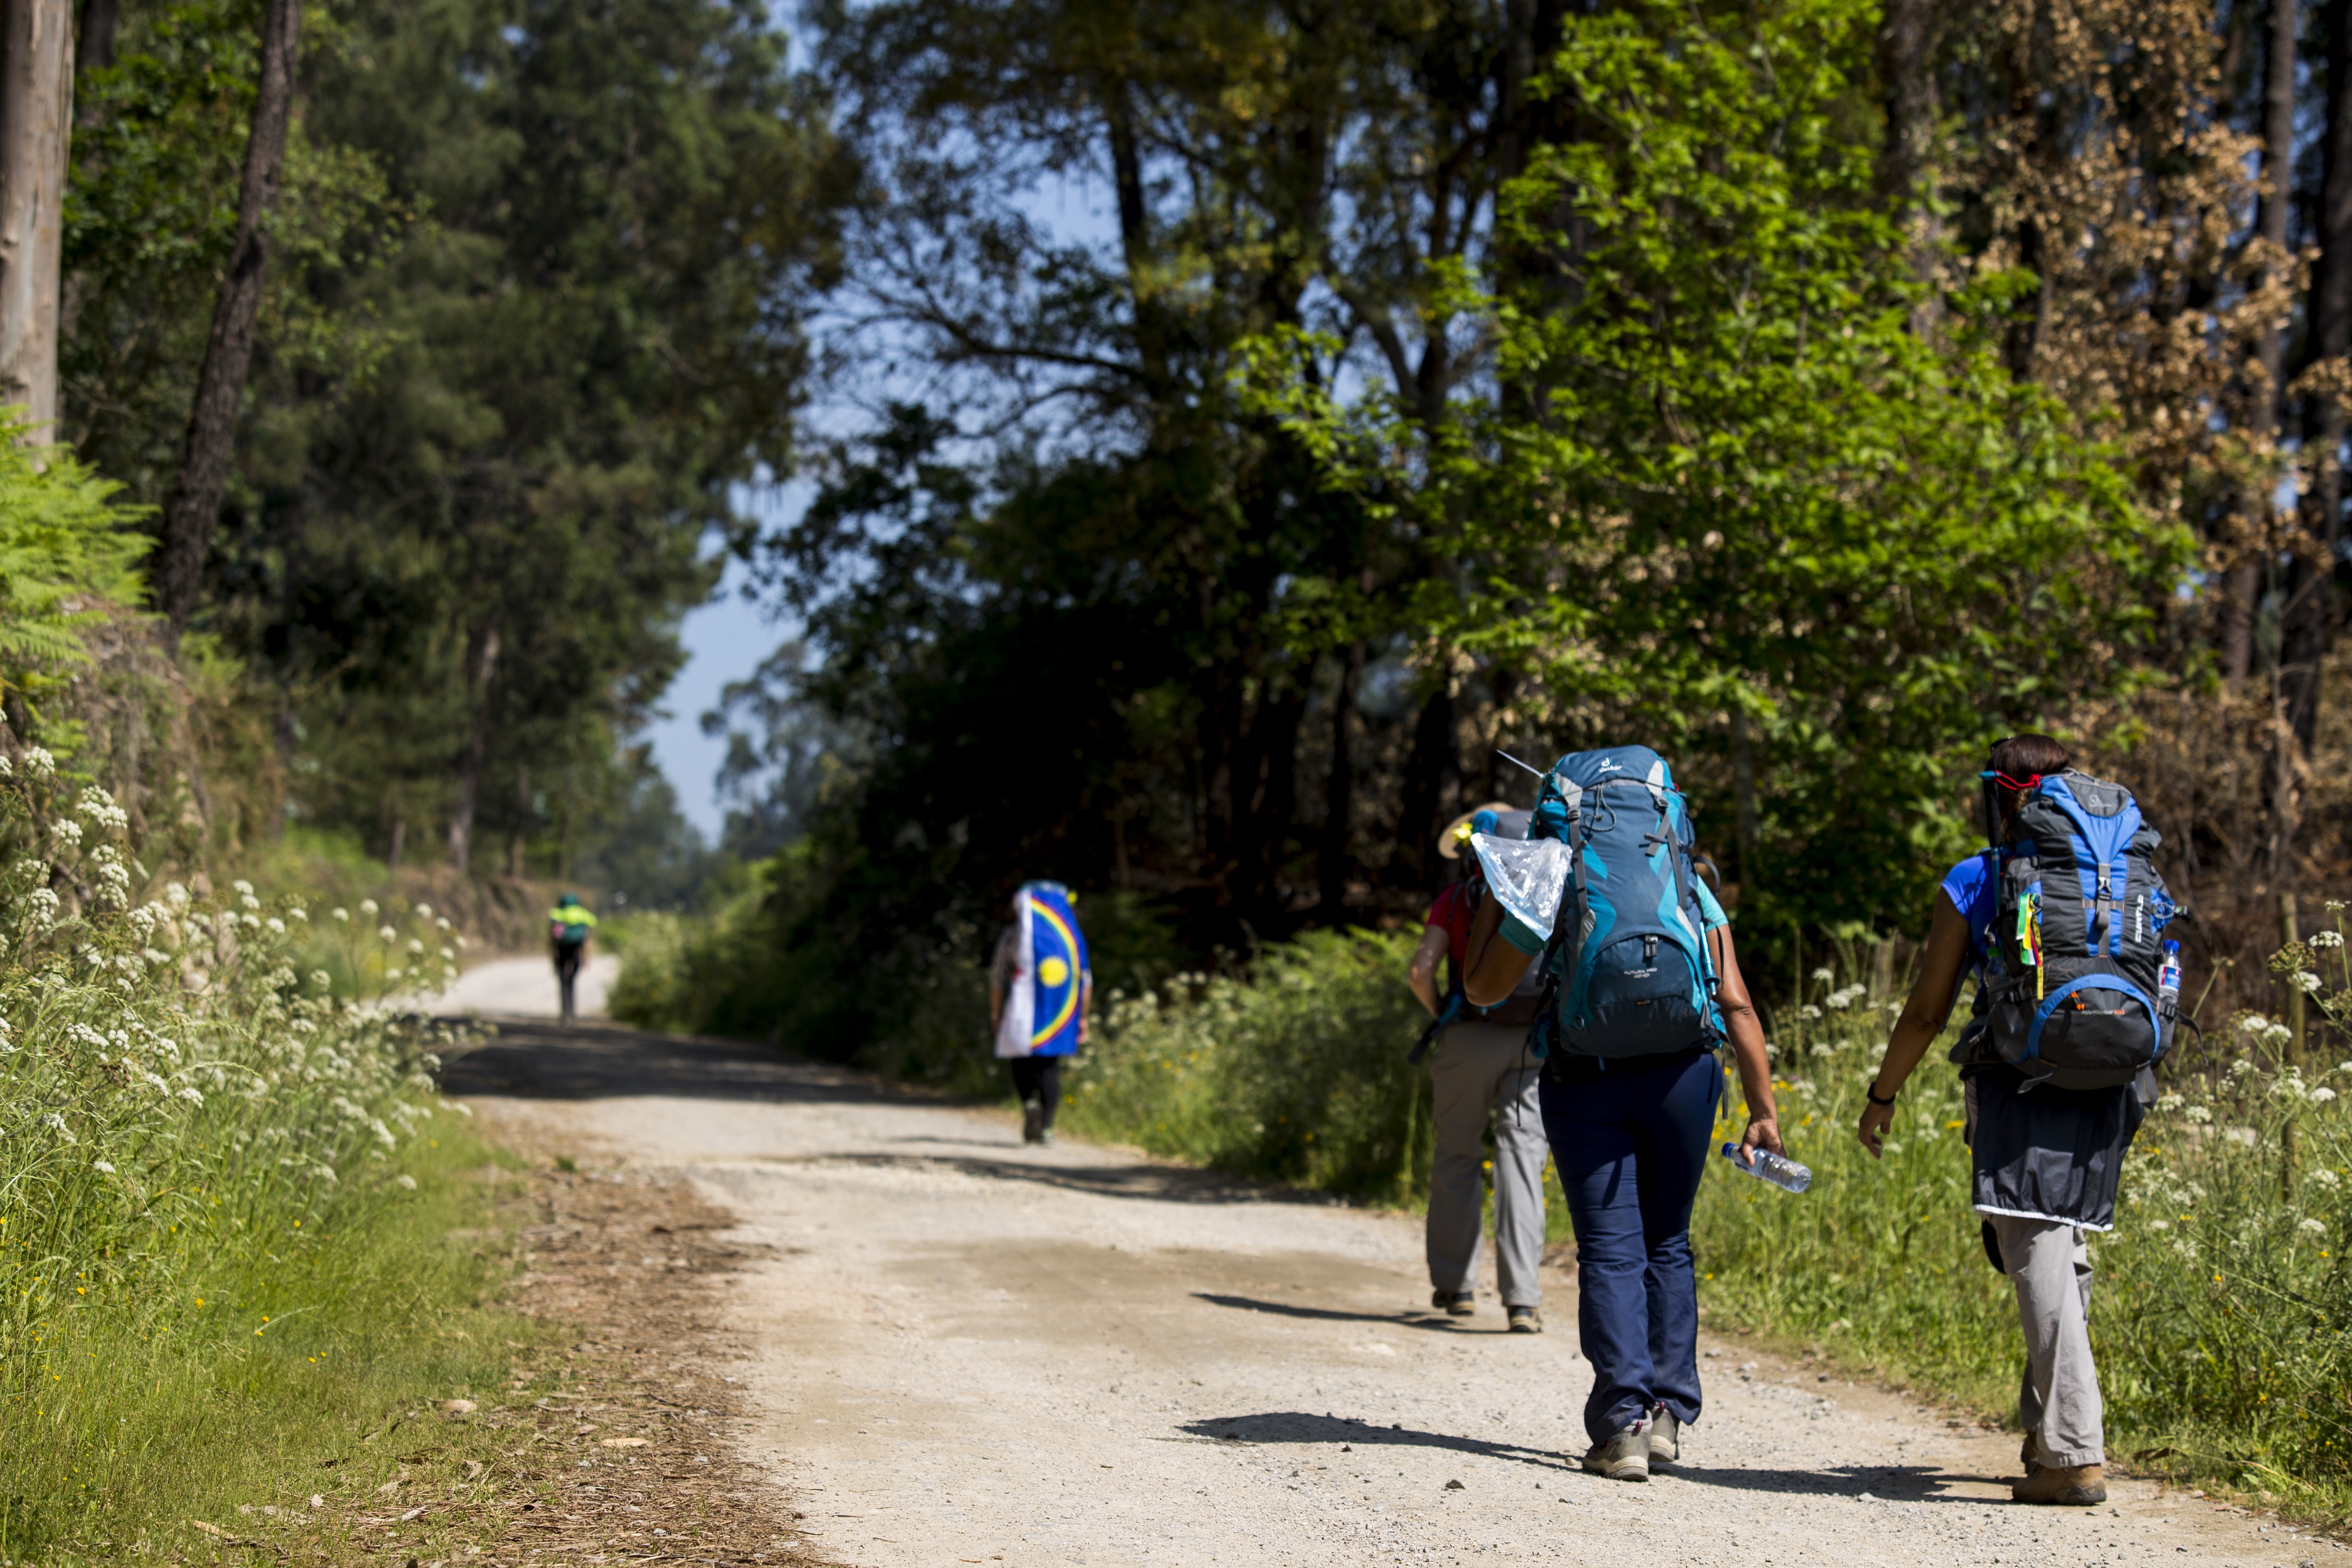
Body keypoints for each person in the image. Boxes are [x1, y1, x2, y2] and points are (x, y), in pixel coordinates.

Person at [1459, 756, 1781, 1484]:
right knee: (1668, 1241)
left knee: (1610, 1250)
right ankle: (1668, 1414)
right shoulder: (1686, 878)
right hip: (1685, 1078)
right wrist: (1764, 1110)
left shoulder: (1547, 873)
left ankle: (1622, 1425)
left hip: (1587, 1082)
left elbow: (1482, 988)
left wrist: (1494, 895)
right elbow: (1734, 1001)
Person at [1860, 734, 2143, 1507]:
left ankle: (2074, 1452)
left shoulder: (1981, 875)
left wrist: (1882, 1094)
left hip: (2021, 1079)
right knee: (2062, 1242)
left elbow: (1926, 1009)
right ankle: (2047, 1429)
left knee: (2035, 1240)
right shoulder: (2115, 872)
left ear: (2001, 792)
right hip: (2117, 1072)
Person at [1406, 803, 1548, 1333]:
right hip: (1534, 1041)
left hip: (1468, 1032)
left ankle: (1456, 1287)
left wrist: (1444, 1010)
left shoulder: (1456, 898)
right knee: (1523, 1159)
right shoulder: (1545, 887)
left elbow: (1420, 970)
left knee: (1457, 1155)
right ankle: (1523, 1301)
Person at [990, 880, 1092, 1144]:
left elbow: (998, 979)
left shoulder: (1014, 934)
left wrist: (996, 1014)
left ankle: (1029, 1102)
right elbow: (1085, 981)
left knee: (1020, 1059)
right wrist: (1082, 1017)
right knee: (1049, 1067)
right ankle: (1046, 1127)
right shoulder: (1071, 937)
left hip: (1022, 1009)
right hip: (1059, 1013)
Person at [547, 892, 597, 1024]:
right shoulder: (582, 914)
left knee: (563, 981)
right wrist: (587, 957)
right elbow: (586, 940)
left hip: (562, 951)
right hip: (576, 951)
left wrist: (552, 956)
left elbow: (552, 938)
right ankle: (573, 1011)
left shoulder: (557, 914)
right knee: (572, 980)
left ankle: (565, 1012)